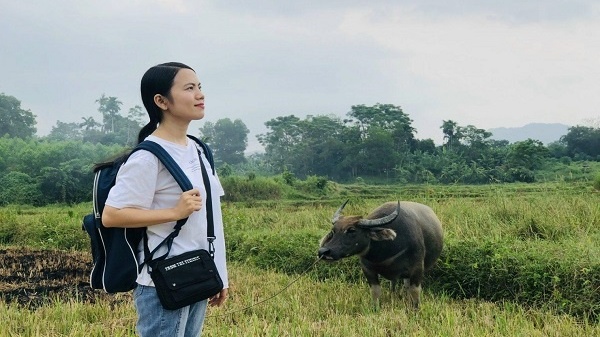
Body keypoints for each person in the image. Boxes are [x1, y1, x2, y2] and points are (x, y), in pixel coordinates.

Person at [102, 62, 228, 336]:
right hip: (163, 280)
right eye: (189, 88)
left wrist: (220, 275)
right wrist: (173, 212)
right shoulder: (147, 157)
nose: (200, 94)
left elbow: (212, 219)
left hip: (198, 273)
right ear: (161, 101)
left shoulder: (198, 149)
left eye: (200, 87)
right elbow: (112, 215)